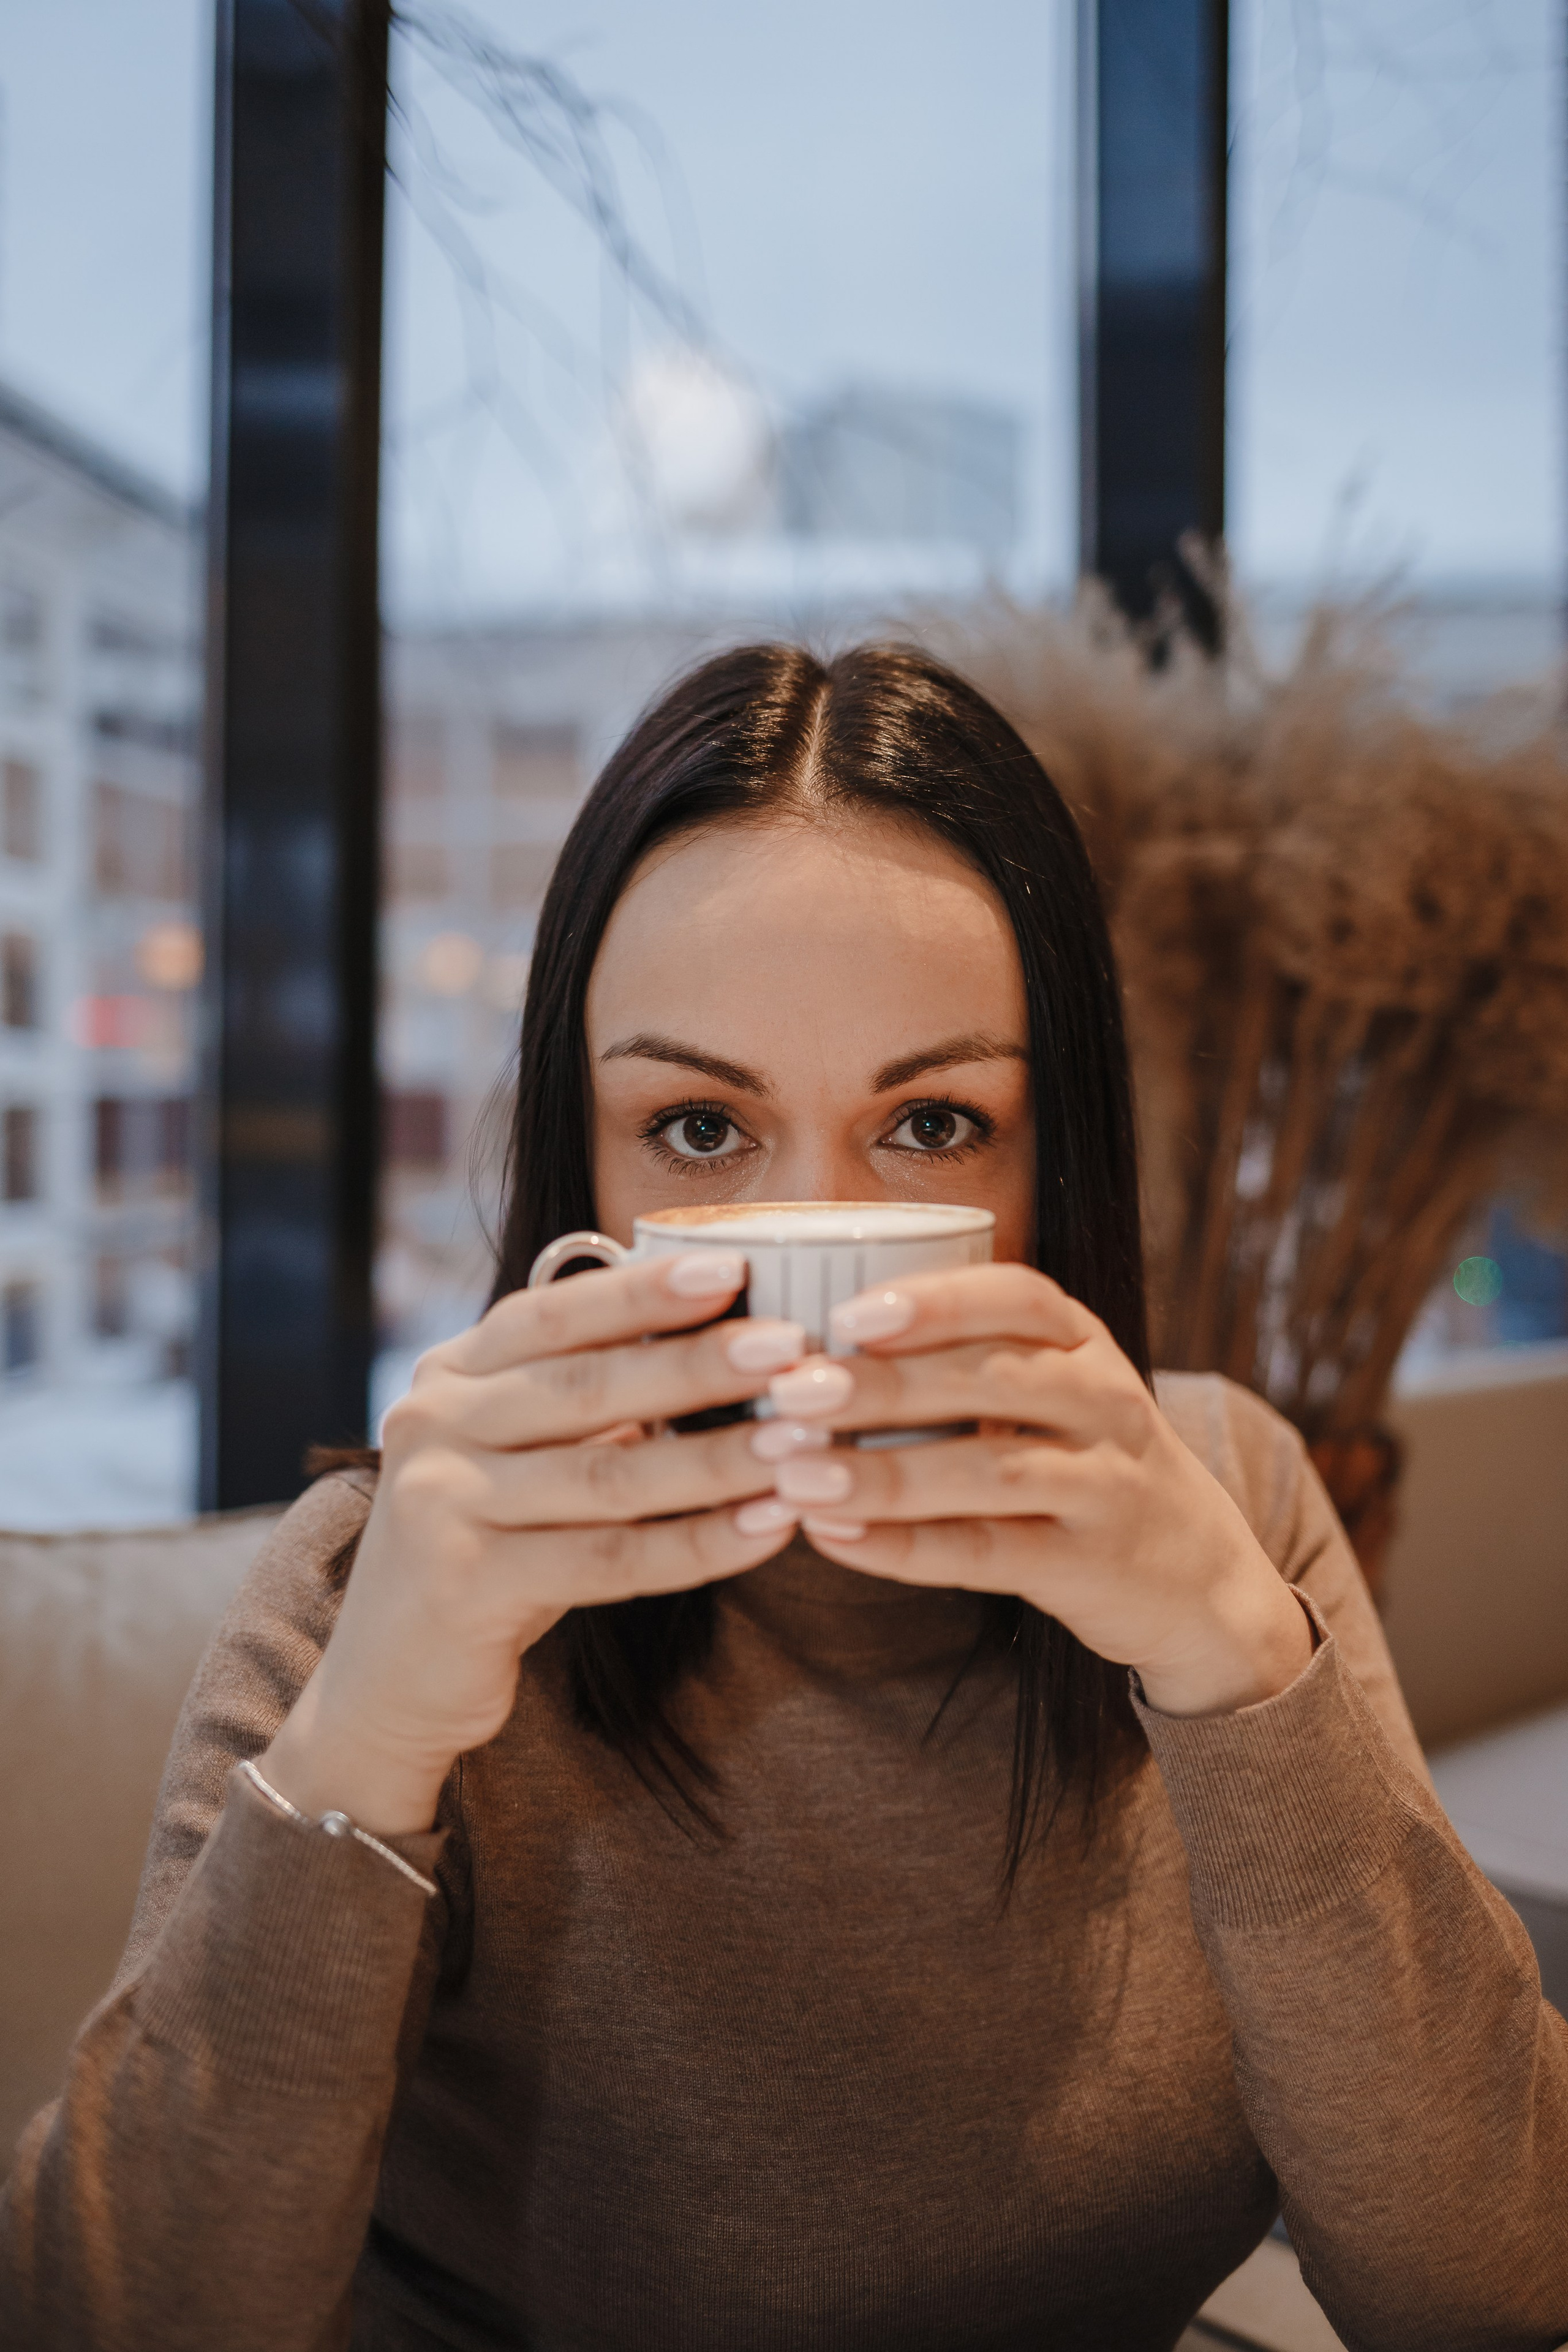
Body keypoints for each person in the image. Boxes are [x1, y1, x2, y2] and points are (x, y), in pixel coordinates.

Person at [2, 644, 1564, 2352]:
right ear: (577, 1176)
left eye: (936, 1120)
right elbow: (113, 2314)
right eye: (695, 1127)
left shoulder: (1228, 1494)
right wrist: (372, 1735)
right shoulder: (400, 1578)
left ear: (1059, 1167)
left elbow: (1491, 2283)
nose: (813, 1221)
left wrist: (1239, 1664)